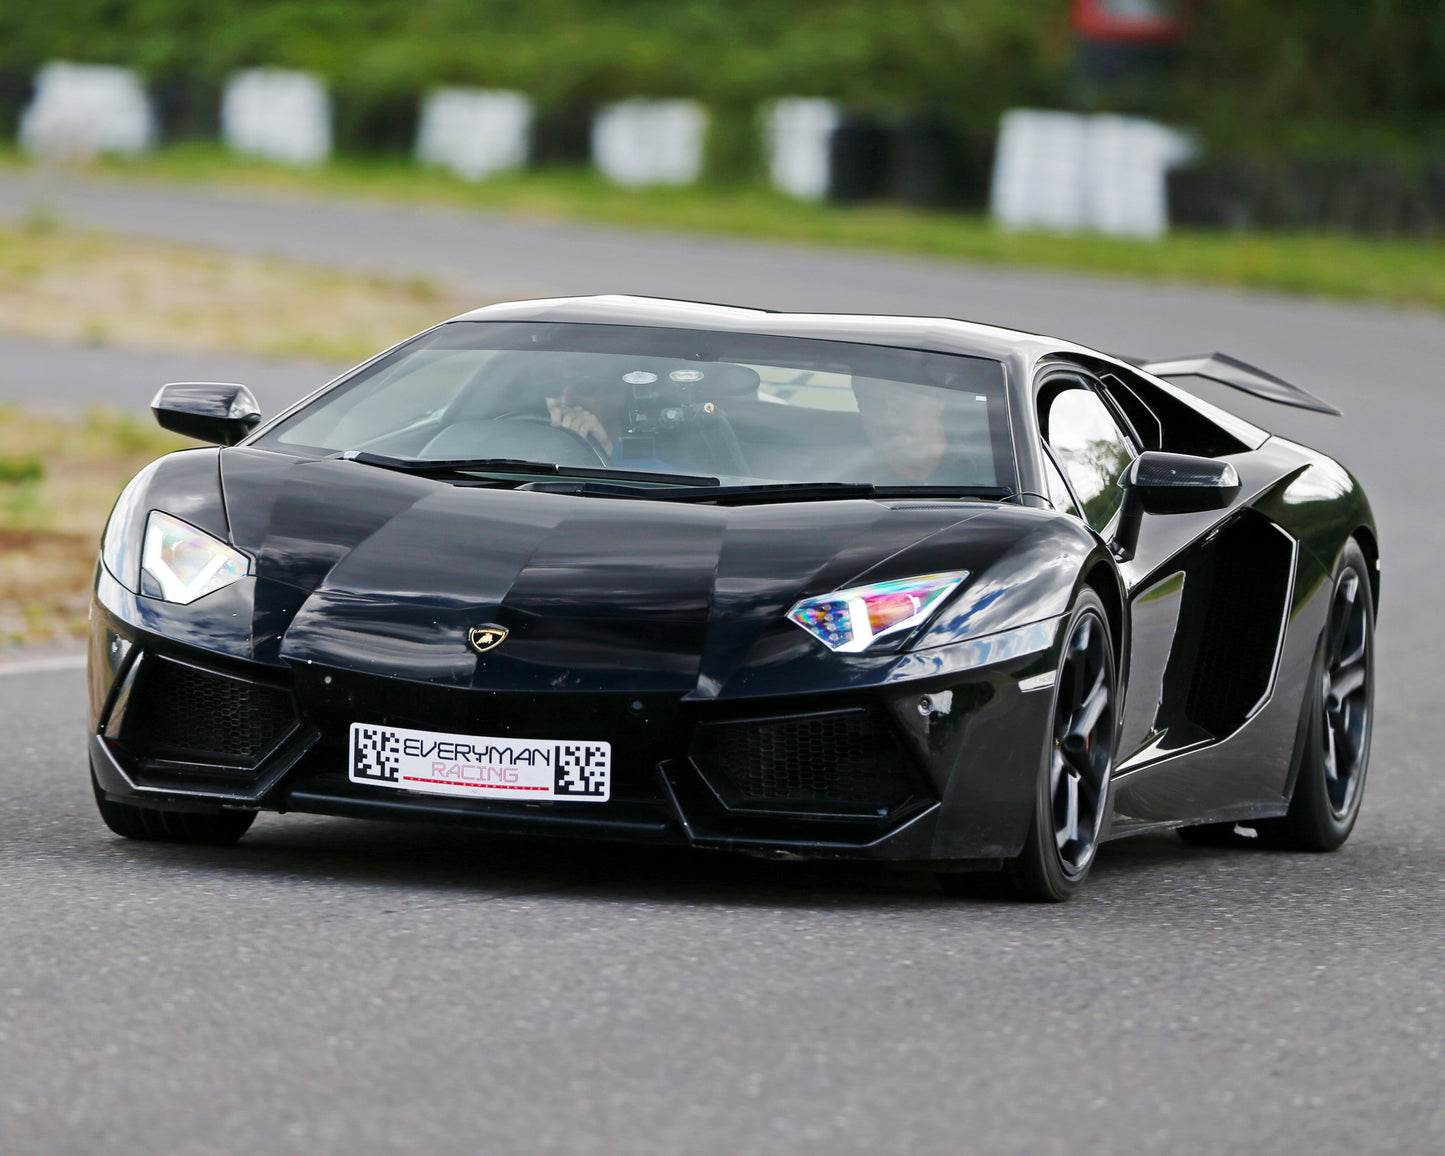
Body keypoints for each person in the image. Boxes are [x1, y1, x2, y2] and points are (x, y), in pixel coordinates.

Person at [853, 377, 952, 483]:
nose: (887, 418)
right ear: (861, 409)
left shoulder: (966, 471)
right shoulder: (848, 471)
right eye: (875, 402)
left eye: (899, 400)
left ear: (939, 401)